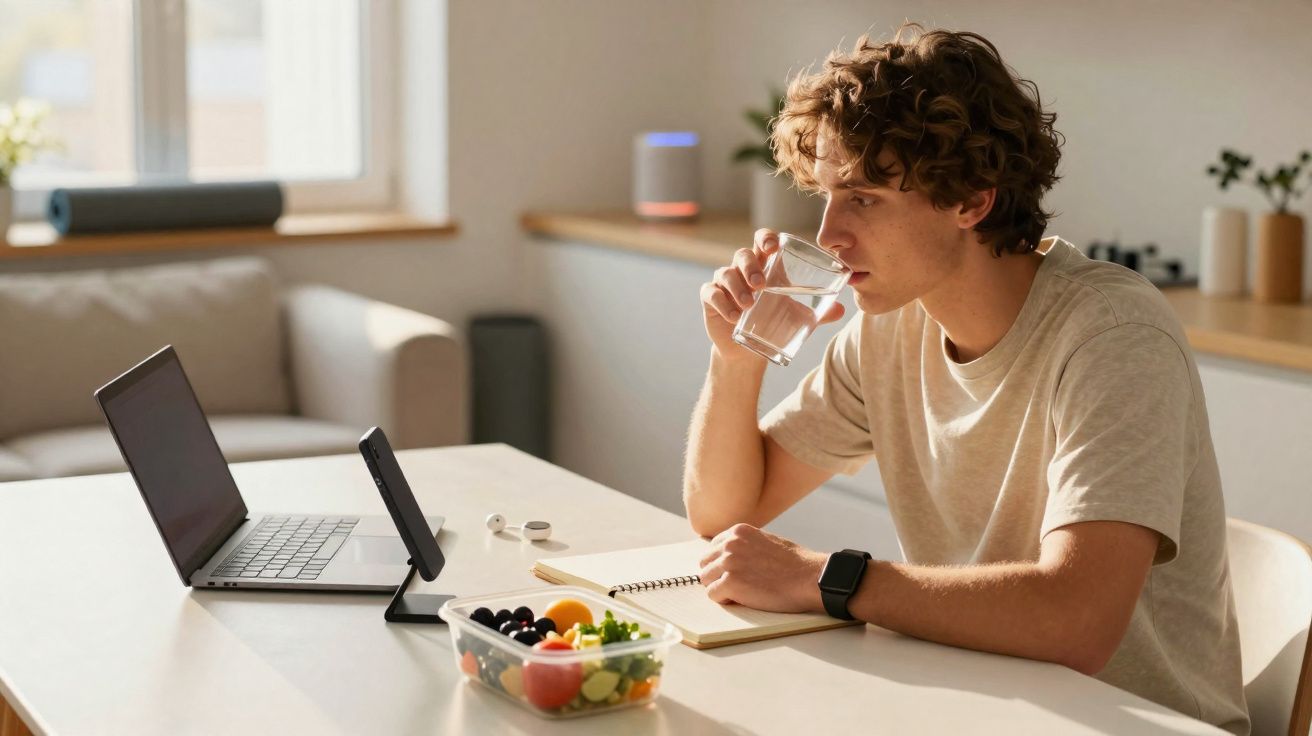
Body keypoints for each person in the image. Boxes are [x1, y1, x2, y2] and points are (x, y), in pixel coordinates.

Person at [683, 23, 1249, 735]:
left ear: (971, 201)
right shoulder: (888, 327)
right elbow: (725, 513)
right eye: (825, 196)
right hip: (982, 705)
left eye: (862, 199)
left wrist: (825, 578)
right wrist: (735, 361)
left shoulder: (1112, 337)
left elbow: (1077, 622)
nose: (827, 235)